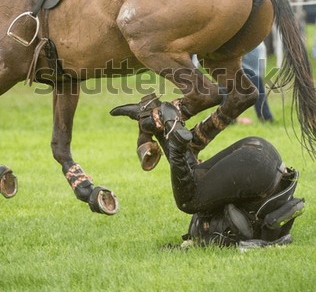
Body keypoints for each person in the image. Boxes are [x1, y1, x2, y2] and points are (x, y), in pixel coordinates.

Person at [111, 94, 304, 250]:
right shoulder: (236, 229)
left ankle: (155, 117)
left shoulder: (243, 224)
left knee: (191, 188)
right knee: (190, 199)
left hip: (263, 154)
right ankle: (166, 124)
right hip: (258, 170)